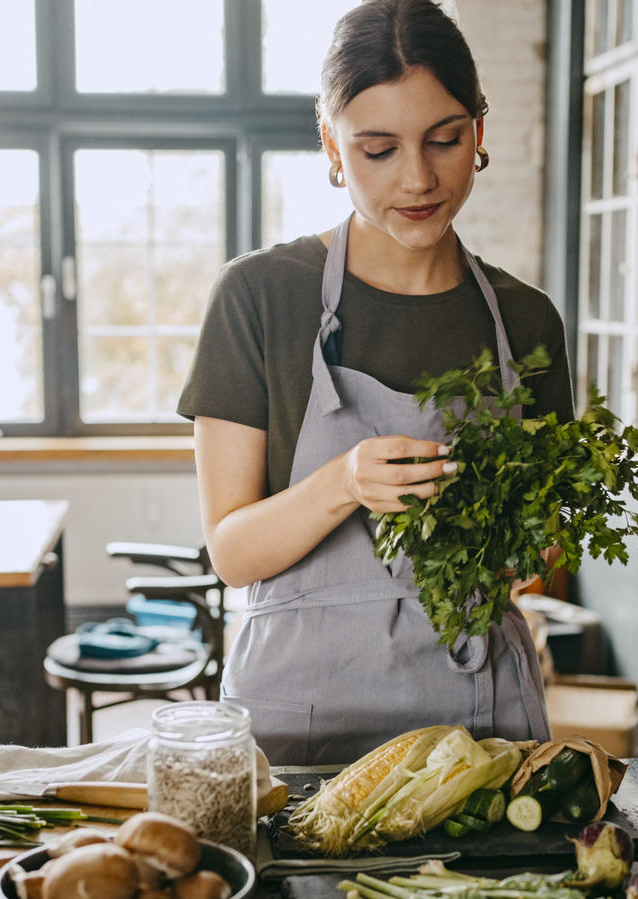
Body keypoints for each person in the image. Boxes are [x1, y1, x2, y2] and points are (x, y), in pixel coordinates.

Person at [176, 0, 573, 766]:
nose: (418, 178)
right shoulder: (260, 297)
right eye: (378, 149)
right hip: (300, 723)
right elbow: (230, 551)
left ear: (479, 133)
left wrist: (519, 536)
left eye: (444, 139)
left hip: (477, 721)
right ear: (332, 147)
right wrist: (344, 483)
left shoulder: (525, 321)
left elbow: (537, 551)